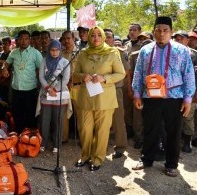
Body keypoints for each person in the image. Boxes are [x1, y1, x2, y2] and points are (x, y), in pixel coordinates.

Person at [132, 17, 195, 177]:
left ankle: (172, 164)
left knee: (173, 131)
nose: (161, 33)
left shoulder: (182, 50)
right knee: (150, 128)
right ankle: (147, 159)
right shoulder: (145, 51)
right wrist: (137, 94)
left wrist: (188, 99)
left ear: (171, 32)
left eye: (165, 30)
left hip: (174, 97)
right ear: (153, 32)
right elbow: (138, 73)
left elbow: (188, 74)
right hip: (151, 96)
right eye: (158, 30)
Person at [73, 26, 125, 171]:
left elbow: (121, 74)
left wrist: (105, 78)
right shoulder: (83, 53)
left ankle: (97, 158)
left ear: (103, 37)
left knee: (102, 130)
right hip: (86, 97)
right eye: (93, 35)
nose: (95, 38)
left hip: (105, 98)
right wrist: (83, 76)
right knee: (85, 129)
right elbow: (75, 73)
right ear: (89, 37)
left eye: (98, 35)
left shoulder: (112, 52)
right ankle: (85, 155)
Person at [2, 30, 43, 133]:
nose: (23, 41)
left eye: (26, 39)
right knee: (17, 115)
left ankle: (31, 141)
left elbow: (42, 69)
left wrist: (35, 77)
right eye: (21, 39)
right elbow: (6, 63)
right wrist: (5, 69)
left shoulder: (35, 53)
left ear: (29, 40)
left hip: (30, 90)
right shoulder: (14, 53)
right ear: (17, 40)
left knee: (30, 116)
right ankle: (19, 138)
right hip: (16, 90)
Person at [37, 40, 70, 153]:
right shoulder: (44, 61)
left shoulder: (65, 62)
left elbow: (66, 79)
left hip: (59, 94)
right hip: (46, 94)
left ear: (60, 50)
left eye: (57, 50)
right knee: (45, 121)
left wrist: (55, 89)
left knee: (58, 120)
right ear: (49, 50)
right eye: (52, 50)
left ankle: (57, 144)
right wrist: (48, 89)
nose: (54, 52)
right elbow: (41, 77)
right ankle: (44, 143)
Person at [104, 29, 129, 159]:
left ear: (113, 40)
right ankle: (100, 145)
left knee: (118, 119)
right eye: (104, 37)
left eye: (108, 37)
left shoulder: (119, 53)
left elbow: (125, 73)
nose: (106, 40)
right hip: (100, 91)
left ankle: (120, 147)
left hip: (114, 90)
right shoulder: (96, 53)